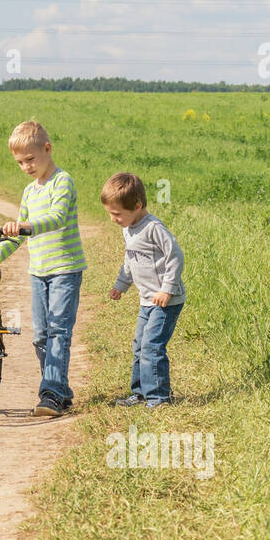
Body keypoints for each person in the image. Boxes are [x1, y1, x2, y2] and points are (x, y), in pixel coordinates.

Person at [0, 121, 86, 417]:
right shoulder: (29, 192)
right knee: (41, 336)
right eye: (20, 162)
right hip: (39, 273)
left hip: (65, 269)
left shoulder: (63, 182)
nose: (26, 166)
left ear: (47, 149)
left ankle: (50, 394)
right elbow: (16, 238)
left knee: (59, 331)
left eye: (31, 159)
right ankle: (59, 391)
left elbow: (57, 217)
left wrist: (27, 226)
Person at [101, 172, 185, 408]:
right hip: (146, 300)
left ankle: (159, 397)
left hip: (166, 300)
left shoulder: (153, 228)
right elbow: (130, 260)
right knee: (139, 345)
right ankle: (139, 393)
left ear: (137, 206)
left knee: (151, 345)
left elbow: (175, 256)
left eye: (117, 214)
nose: (112, 219)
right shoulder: (128, 228)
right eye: (110, 213)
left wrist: (166, 289)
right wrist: (121, 284)